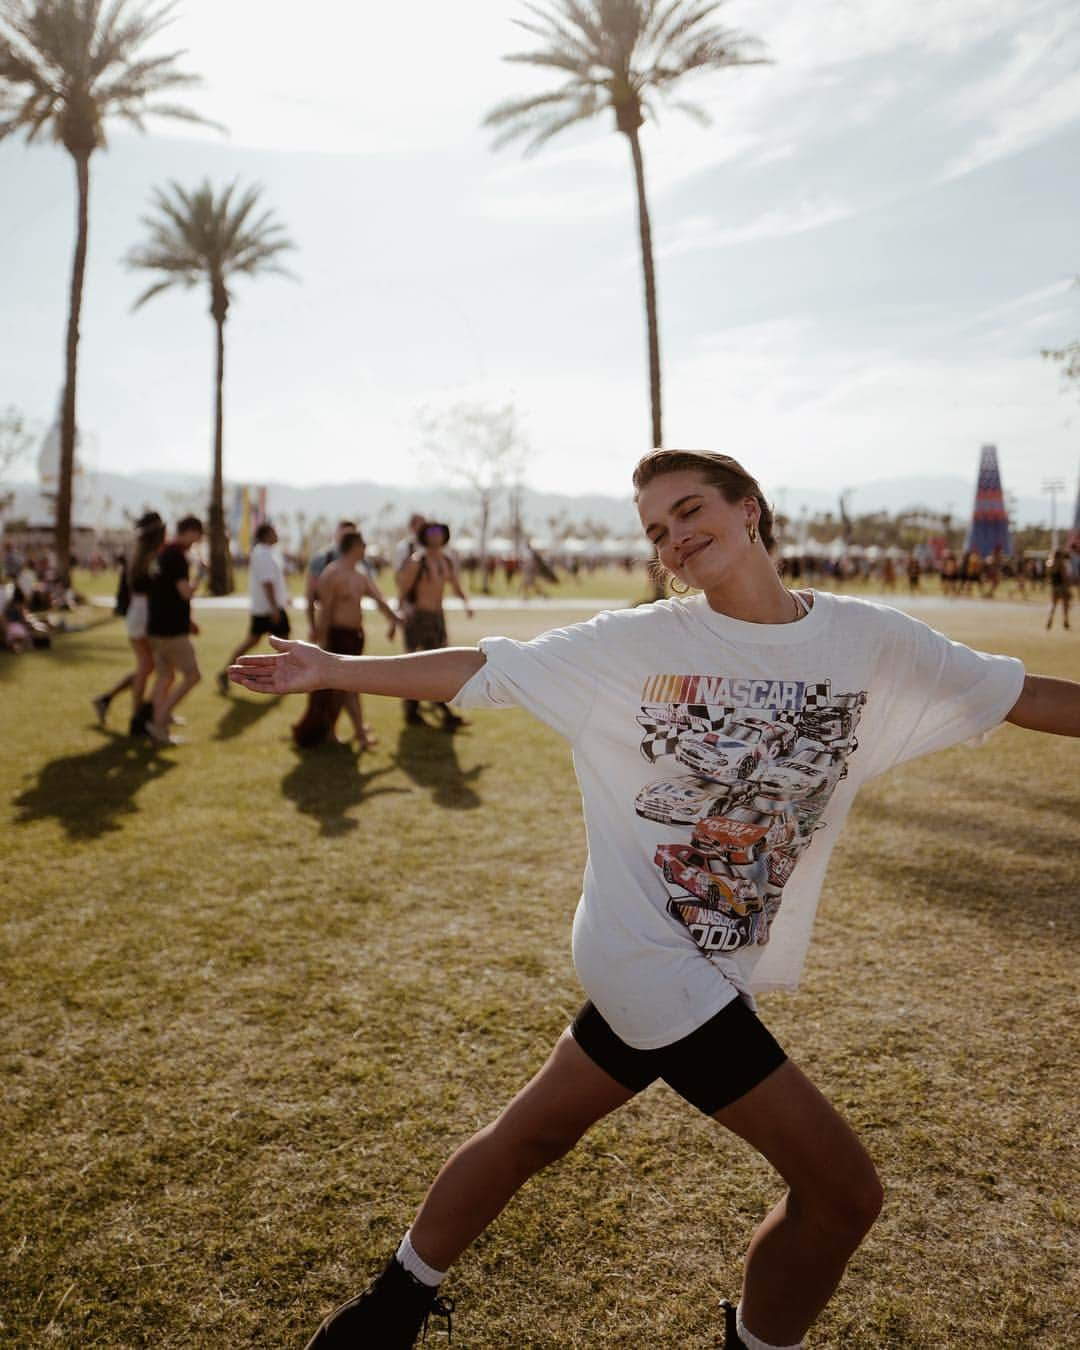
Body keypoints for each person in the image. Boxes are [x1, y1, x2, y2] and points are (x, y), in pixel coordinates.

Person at [229, 449, 1079, 1350]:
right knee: (843, 1193)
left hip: (709, 957)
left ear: (749, 508)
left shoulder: (865, 638)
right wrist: (332, 670)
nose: (675, 538)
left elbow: (1018, 694)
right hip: (647, 955)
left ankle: (382, 1314)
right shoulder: (641, 643)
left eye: (689, 511)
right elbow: (489, 669)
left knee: (531, 1136)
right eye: (657, 531)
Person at [292, 530, 398, 750]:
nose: (366, 549)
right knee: (343, 687)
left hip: (355, 637)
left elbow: (379, 600)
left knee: (349, 687)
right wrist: (322, 639)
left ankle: (348, 733)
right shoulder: (332, 574)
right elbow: (326, 610)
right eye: (363, 545)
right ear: (353, 547)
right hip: (337, 637)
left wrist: (395, 621)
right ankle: (348, 733)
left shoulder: (360, 574)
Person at [92, 512, 165, 735]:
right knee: (148, 666)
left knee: (148, 666)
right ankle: (137, 716)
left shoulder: (139, 554)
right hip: (143, 614)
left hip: (137, 613)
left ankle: (110, 700)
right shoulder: (149, 558)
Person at [396, 521, 473, 730]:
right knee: (416, 666)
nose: (436, 535)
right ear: (424, 535)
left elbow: (455, 586)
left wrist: (466, 603)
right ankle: (413, 712)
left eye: (439, 531)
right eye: (431, 531)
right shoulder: (416, 561)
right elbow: (403, 590)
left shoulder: (445, 561)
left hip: (437, 619)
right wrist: (397, 617)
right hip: (418, 619)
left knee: (439, 665)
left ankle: (441, 709)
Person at [146, 514, 204, 745]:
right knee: (193, 676)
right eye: (198, 534)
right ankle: (158, 722)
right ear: (190, 531)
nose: (198, 540)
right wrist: (200, 575)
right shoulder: (177, 556)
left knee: (164, 676)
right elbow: (185, 593)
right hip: (171, 630)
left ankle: (160, 721)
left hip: (155, 627)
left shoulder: (163, 552)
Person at [216, 521, 291, 695]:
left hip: (267, 608)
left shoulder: (266, 552)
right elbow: (267, 583)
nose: (277, 534)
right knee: (284, 643)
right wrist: (274, 608)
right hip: (268, 609)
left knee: (257, 641)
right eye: (274, 531)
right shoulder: (263, 553)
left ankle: (226, 672)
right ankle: (283, 677)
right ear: (266, 534)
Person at [305, 520, 356, 641]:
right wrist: (312, 626)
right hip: (327, 626)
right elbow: (310, 595)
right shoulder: (322, 558)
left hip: (353, 629)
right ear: (337, 534)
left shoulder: (359, 559)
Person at [1046, 549, 1072, 630]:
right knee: (1065, 605)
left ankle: (1050, 620)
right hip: (1062, 587)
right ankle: (1065, 621)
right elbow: (1064, 577)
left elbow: (1048, 577)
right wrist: (1067, 587)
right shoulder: (1061, 564)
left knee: (1053, 605)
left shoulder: (1049, 563)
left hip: (1054, 587)